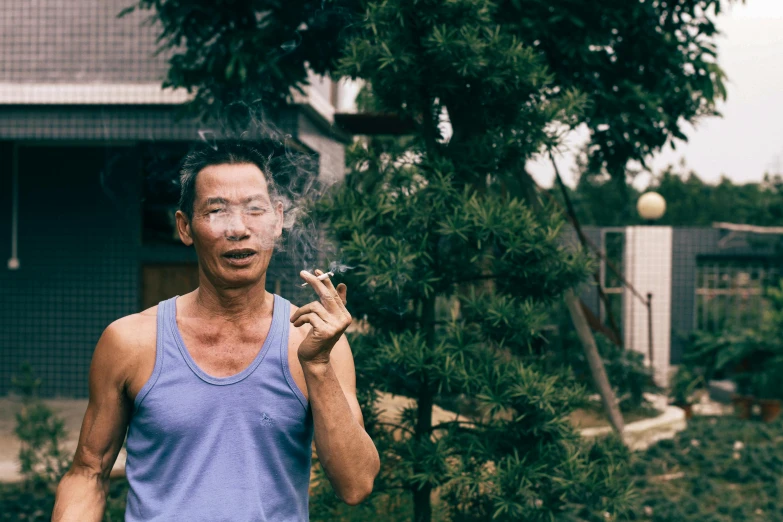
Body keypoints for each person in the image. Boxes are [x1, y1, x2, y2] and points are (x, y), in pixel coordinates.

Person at [52, 142, 380, 521]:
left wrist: (318, 366)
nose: (238, 229)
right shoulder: (130, 341)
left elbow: (356, 485)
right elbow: (88, 474)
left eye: (254, 210)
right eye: (216, 210)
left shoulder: (314, 344)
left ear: (276, 221)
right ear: (185, 227)